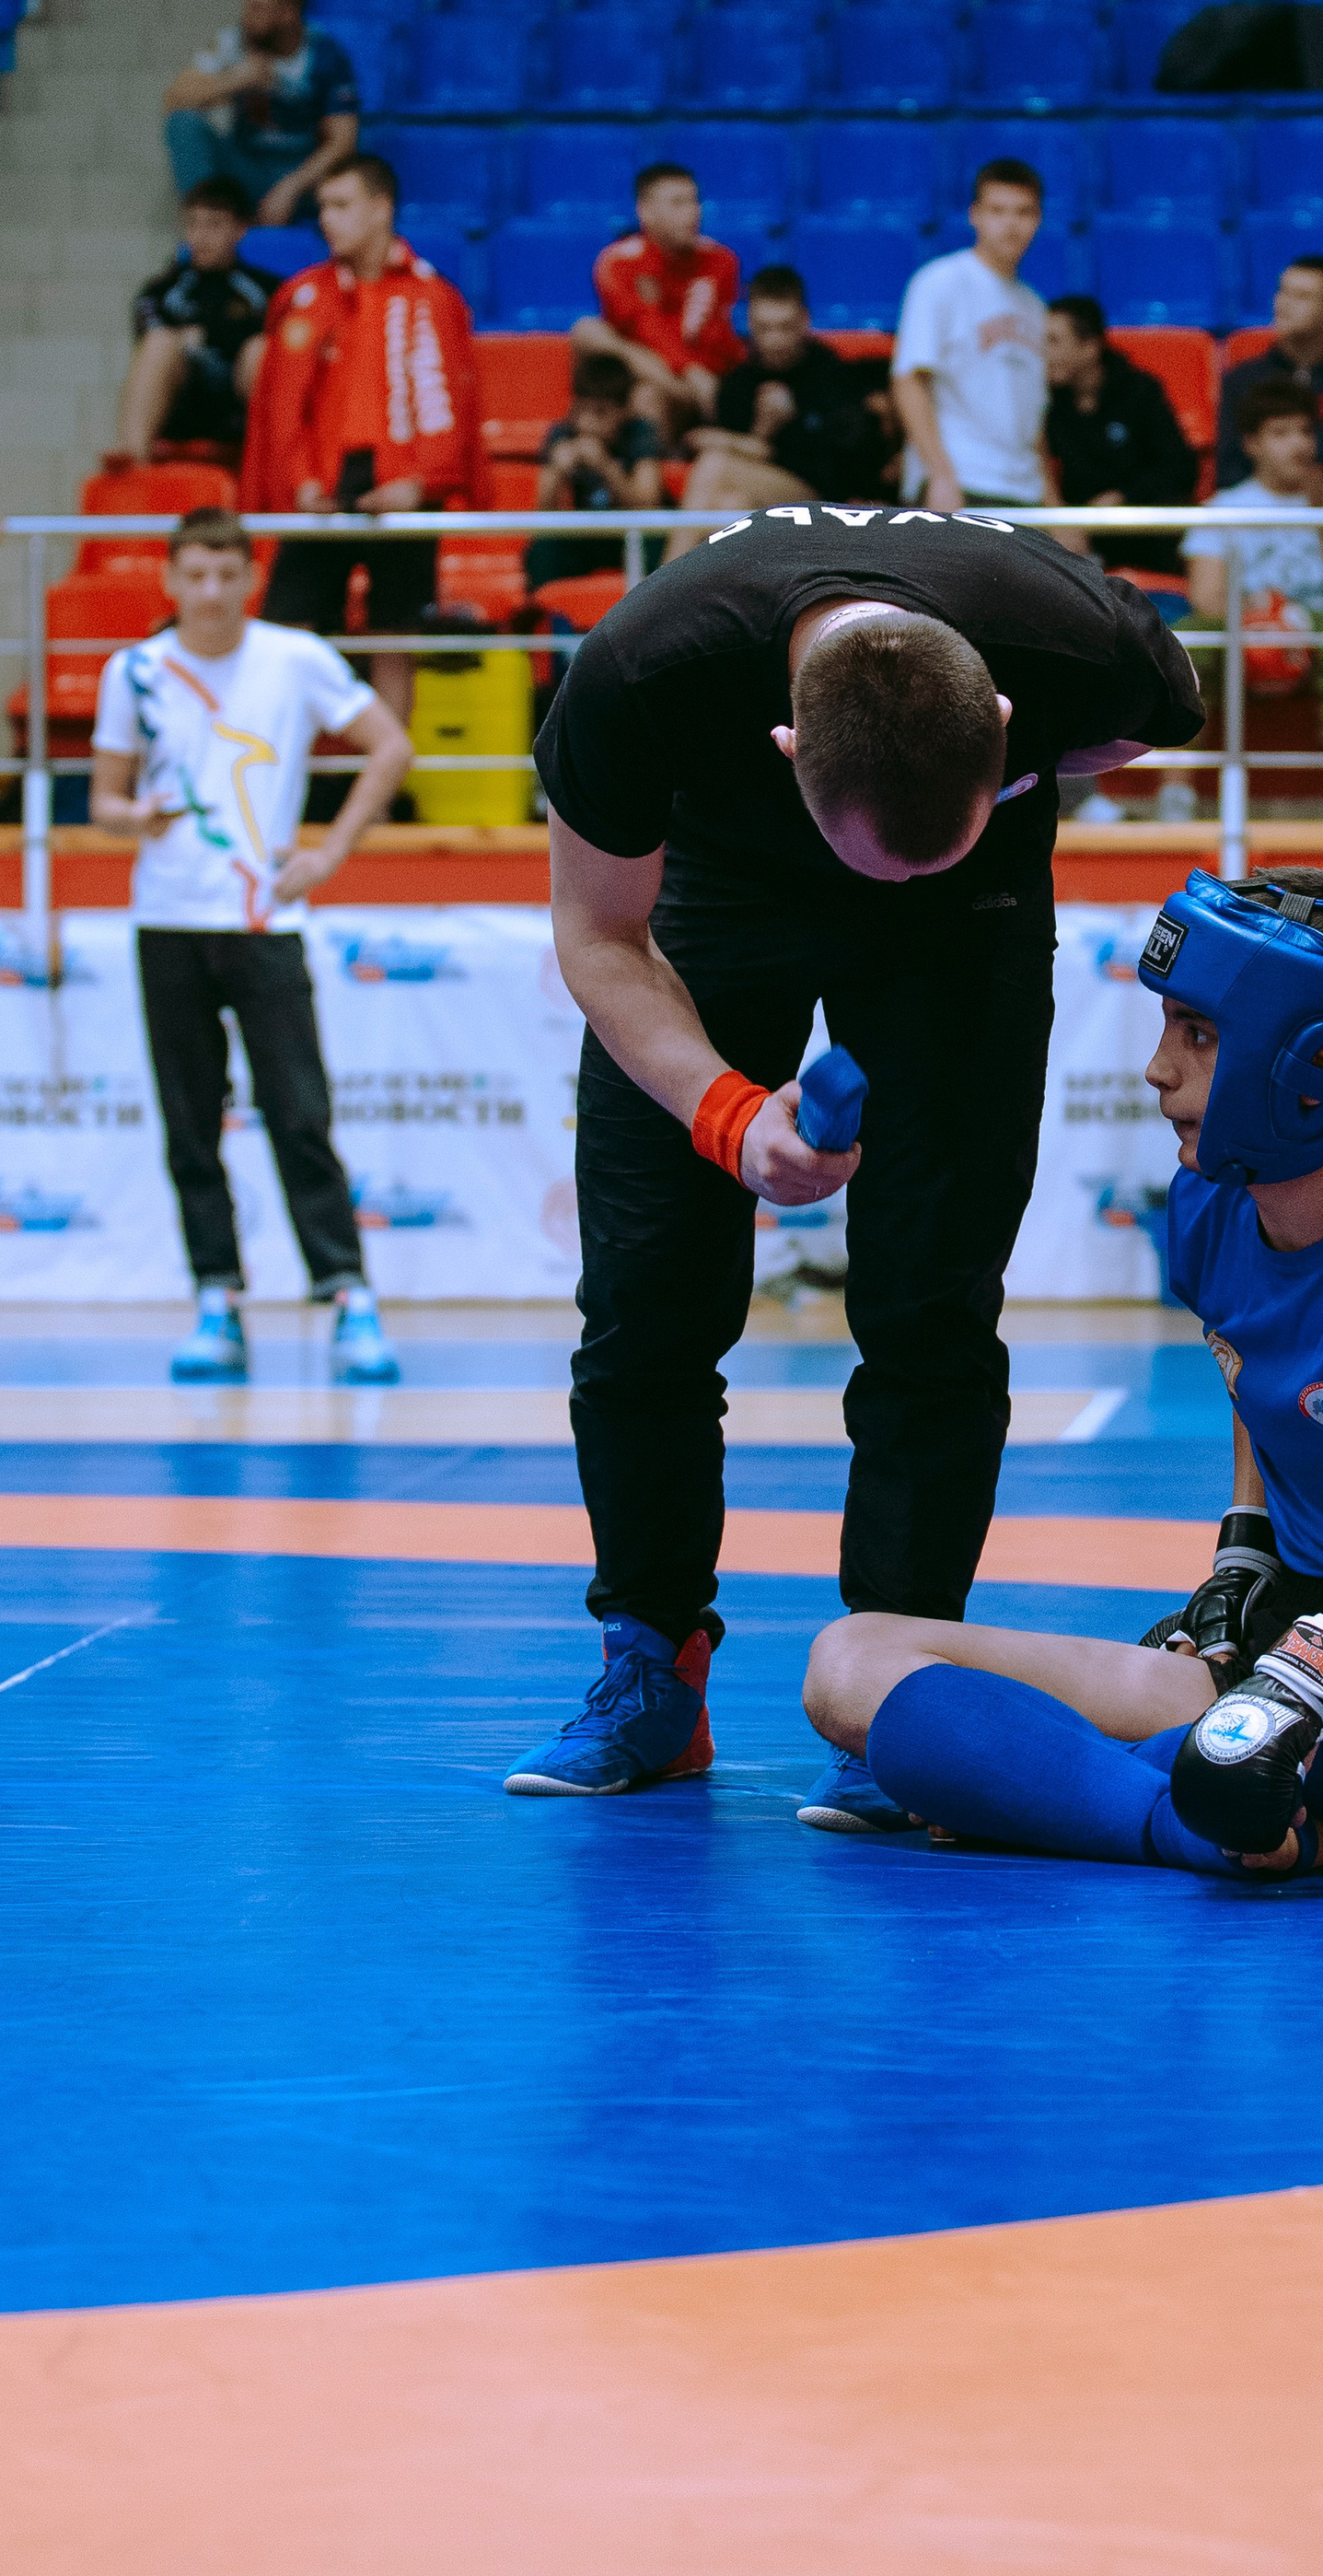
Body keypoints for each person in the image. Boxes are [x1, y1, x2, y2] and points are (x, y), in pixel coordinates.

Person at [502, 504, 1205, 1807]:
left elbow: (1149, 723)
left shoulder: (1079, 641)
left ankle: (898, 1687)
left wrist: (1000, 802)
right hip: (722, 887)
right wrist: (727, 1113)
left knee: (933, 1301)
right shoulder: (639, 672)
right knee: (648, 1298)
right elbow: (599, 937)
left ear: (1009, 721)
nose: (877, 891)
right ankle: (651, 1667)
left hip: (970, 904)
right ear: (783, 745)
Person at [798, 863, 1323, 1880]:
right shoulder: (1211, 1205)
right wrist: (1245, 1552)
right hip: (1288, 1637)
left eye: (1196, 1032)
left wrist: (1314, 1665)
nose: (1156, 1069)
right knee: (851, 1661)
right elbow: (1258, 1367)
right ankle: (1201, 1817)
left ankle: (1102, 1784)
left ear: (1316, 1061)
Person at [88, 506, 413, 1388]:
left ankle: (347, 1294)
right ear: (169, 578)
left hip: (266, 920)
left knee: (300, 1113)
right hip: (168, 919)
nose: (210, 592)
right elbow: (104, 800)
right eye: (194, 574)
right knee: (190, 1123)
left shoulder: (293, 657)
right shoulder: (134, 670)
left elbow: (390, 745)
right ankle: (216, 1298)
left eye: (225, 574)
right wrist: (134, 815)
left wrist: (328, 853)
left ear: (250, 578)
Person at [240, 151, 487, 728]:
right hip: (323, 482)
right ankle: (283, 771)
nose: (327, 219)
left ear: (381, 209)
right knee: (287, 635)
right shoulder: (304, 295)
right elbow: (283, 411)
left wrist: (421, 485)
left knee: (394, 638)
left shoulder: (434, 296)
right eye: (323, 207)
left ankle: (387, 777)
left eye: (341, 205)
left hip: (403, 482)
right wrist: (300, 483)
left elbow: (450, 401)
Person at [1185, 376, 1323, 826]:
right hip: (1245, 624)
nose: (1299, 444)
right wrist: (1264, 621)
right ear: (1252, 444)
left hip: (1322, 625)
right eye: (1281, 433)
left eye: (1306, 431)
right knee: (1190, 638)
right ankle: (1176, 796)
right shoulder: (1224, 507)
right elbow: (1206, 599)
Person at [892, 158, 1054, 513]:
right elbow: (909, 382)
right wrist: (940, 476)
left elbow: (1034, 418)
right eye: (997, 211)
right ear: (974, 215)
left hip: (1025, 490)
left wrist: (1053, 503)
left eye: (1023, 212)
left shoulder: (1034, 305)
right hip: (962, 481)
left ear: (1039, 219)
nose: (1010, 225)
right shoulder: (939, 282)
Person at [688, 262, 900, 512]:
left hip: (821, 499)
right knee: (732, 504)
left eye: (785, 327)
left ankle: (678, 541)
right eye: (765, 328)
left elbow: (837, 464)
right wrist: (763, 431)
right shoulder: (740, 381)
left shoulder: (830, 373)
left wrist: (758, 444)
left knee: (715, 465)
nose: (775, 340)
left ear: (804, 320)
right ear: (750, 323)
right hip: (762, 492)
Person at [162, 0, 360, 222]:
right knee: (183, 123)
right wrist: (235, 80)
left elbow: (343, 141)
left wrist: (290, 188)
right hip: (248, 166)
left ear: (288, 13)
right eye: (247, 6)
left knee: (347, 175)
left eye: (257, 8)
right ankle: (209, 224)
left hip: (302, 172)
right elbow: (174, 98)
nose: (246, 17)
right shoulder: (232, 43)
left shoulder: (325, 55)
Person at [576, 160, 744, 446]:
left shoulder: (721, 260)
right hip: (661, 383)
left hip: (711, 382)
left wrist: (698, 374)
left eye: (695, 201)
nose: (693, 212)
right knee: (590, 333)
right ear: (646, 212)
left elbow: (715, 339)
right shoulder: (617, 262)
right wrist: (687, 374)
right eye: (678, 203)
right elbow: (645, 329)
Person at [115, 177, 280, 462]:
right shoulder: (161, 290)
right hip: (181, 405)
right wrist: (223, 334)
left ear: (239, 229)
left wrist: (204, 336)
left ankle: (279, 467)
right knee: (159, 344)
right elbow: (147, 332)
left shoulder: (268, 289)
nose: (201, 236)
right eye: (193, 224)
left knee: (261, 350)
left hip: (239, 406)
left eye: (214, 225)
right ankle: (132, 465)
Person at [1040, 292, 1197, 587]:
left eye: (1053, 341)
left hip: (1146, 533)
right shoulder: (1046, 404)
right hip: (1080, 540)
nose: (1043, 352)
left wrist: (1122, 497)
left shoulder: (1140, 392)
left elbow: (1180, 468)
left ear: (1090, 347)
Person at [1214, 252, 1323, 490]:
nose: (1284, 304)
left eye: (1302, 296)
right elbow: (1230, 469)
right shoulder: (1242, 380)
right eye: (1282, 292)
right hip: (1260, 508)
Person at [526, 347, 667, 591]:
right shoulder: (562, 434)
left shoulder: (639, 433)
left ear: (624, 411)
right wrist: (557, 473)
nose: (587, 422)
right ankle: (541, 610)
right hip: (586, 536)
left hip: (627, 535)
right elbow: (542, 514)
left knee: (652, 540)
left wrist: (606, 468)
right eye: (581, 410)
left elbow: (648, 504)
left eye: (600, 412)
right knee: (543, 547)